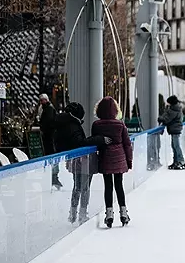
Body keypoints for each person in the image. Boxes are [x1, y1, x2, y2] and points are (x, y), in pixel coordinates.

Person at [53, 102, 110, 224]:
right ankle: (82, 214)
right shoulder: (72, 125)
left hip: (75, 161)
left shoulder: (63, 123)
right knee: (83, 188)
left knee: (77, 187)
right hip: (82, 161)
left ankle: (73, 214)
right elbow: (80, 142)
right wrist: (99, 139)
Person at [91, 97, 133, 227]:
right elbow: (127, 144)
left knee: (108, 186)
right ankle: (123, 213)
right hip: (119, 158)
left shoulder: (97, 125)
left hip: (105, 158)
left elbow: (94, 141)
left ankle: (109, 214)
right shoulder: (120, 124)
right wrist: (129, 160)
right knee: (119, 185)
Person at [37, 94, 60, 188]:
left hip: (49, 138)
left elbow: (48, 123)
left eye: (43, 100)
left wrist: (42, 127)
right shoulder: (46, 109)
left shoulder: (48, 109)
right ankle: (53, 177)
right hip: (50, 137)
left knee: (51, 155)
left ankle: (53, 177)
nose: (42, 102)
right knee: (51, 156)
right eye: (41, 100)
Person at [159, 95, 185, 170]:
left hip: (175, 130)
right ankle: (176, 161)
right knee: (174, 146)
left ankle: (181, 161)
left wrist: (160, 118)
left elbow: (167, 119)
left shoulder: (174, 110)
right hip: (174, 129)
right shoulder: (174, 108)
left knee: (176, 146)